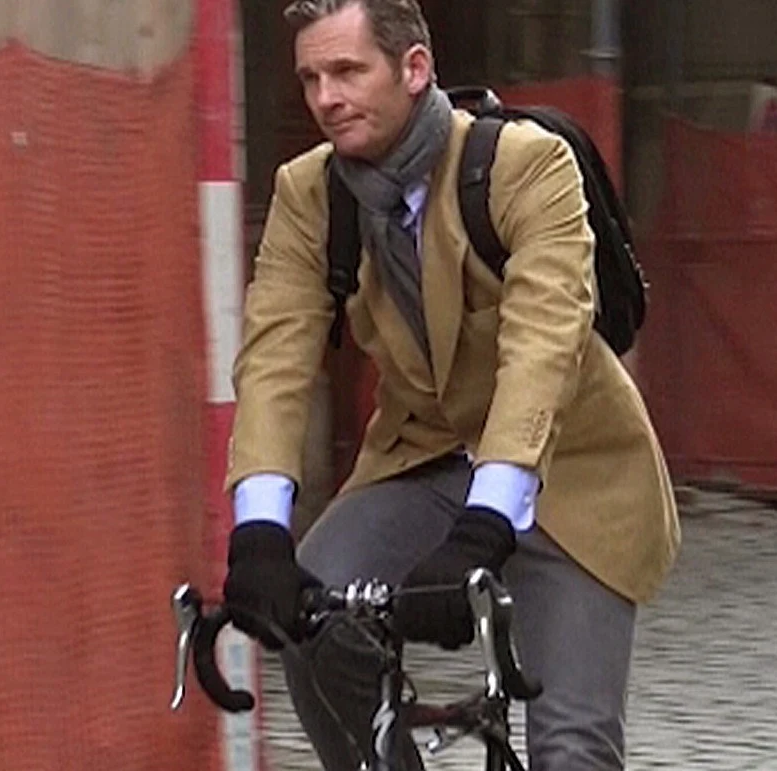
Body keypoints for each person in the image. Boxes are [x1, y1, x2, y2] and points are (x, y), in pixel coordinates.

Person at [220, 1, 681, 769]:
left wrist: (483, 527)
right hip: (426, 458)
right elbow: (273, 357)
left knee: (571, 744)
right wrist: (259, 529)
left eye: (346, 71)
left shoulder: (523, 165)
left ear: (414, 69)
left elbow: (543, 346)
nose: (324, 96)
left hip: (574, 471)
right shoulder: (311, 193)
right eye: (309, 77)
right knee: (316, 620)